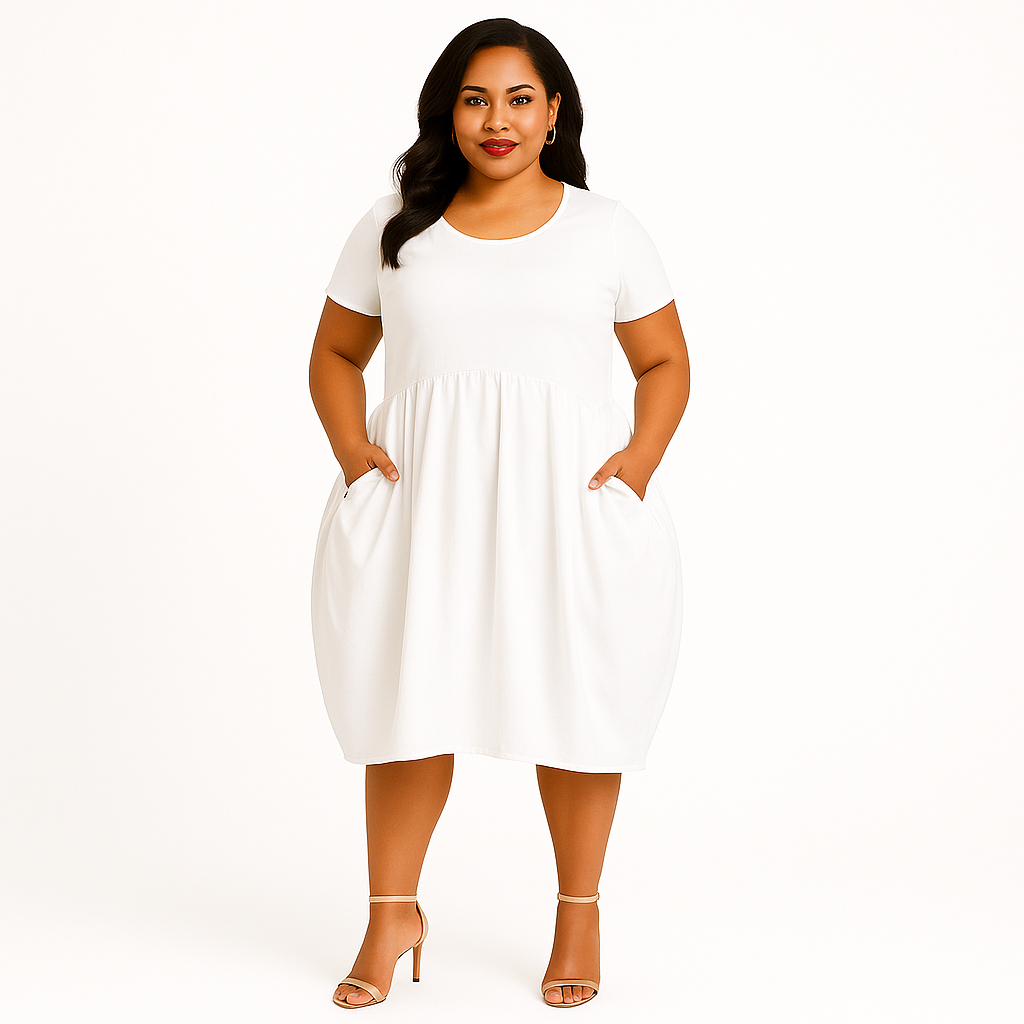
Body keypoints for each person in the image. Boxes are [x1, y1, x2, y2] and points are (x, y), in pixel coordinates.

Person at [309, 17, 690, 1010]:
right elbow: (335, 354)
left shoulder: (606, 229)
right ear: (448, 112)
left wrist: (638, 464)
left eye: (520, 99)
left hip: (566, 509)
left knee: (578, 706)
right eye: (475, 99)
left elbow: (663, 362)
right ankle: (391, 913)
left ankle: (578, 914)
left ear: (554, 112)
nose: (497, 120)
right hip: (423, 507)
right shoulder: (395, 225)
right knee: (407, 704)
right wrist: (353, 453)